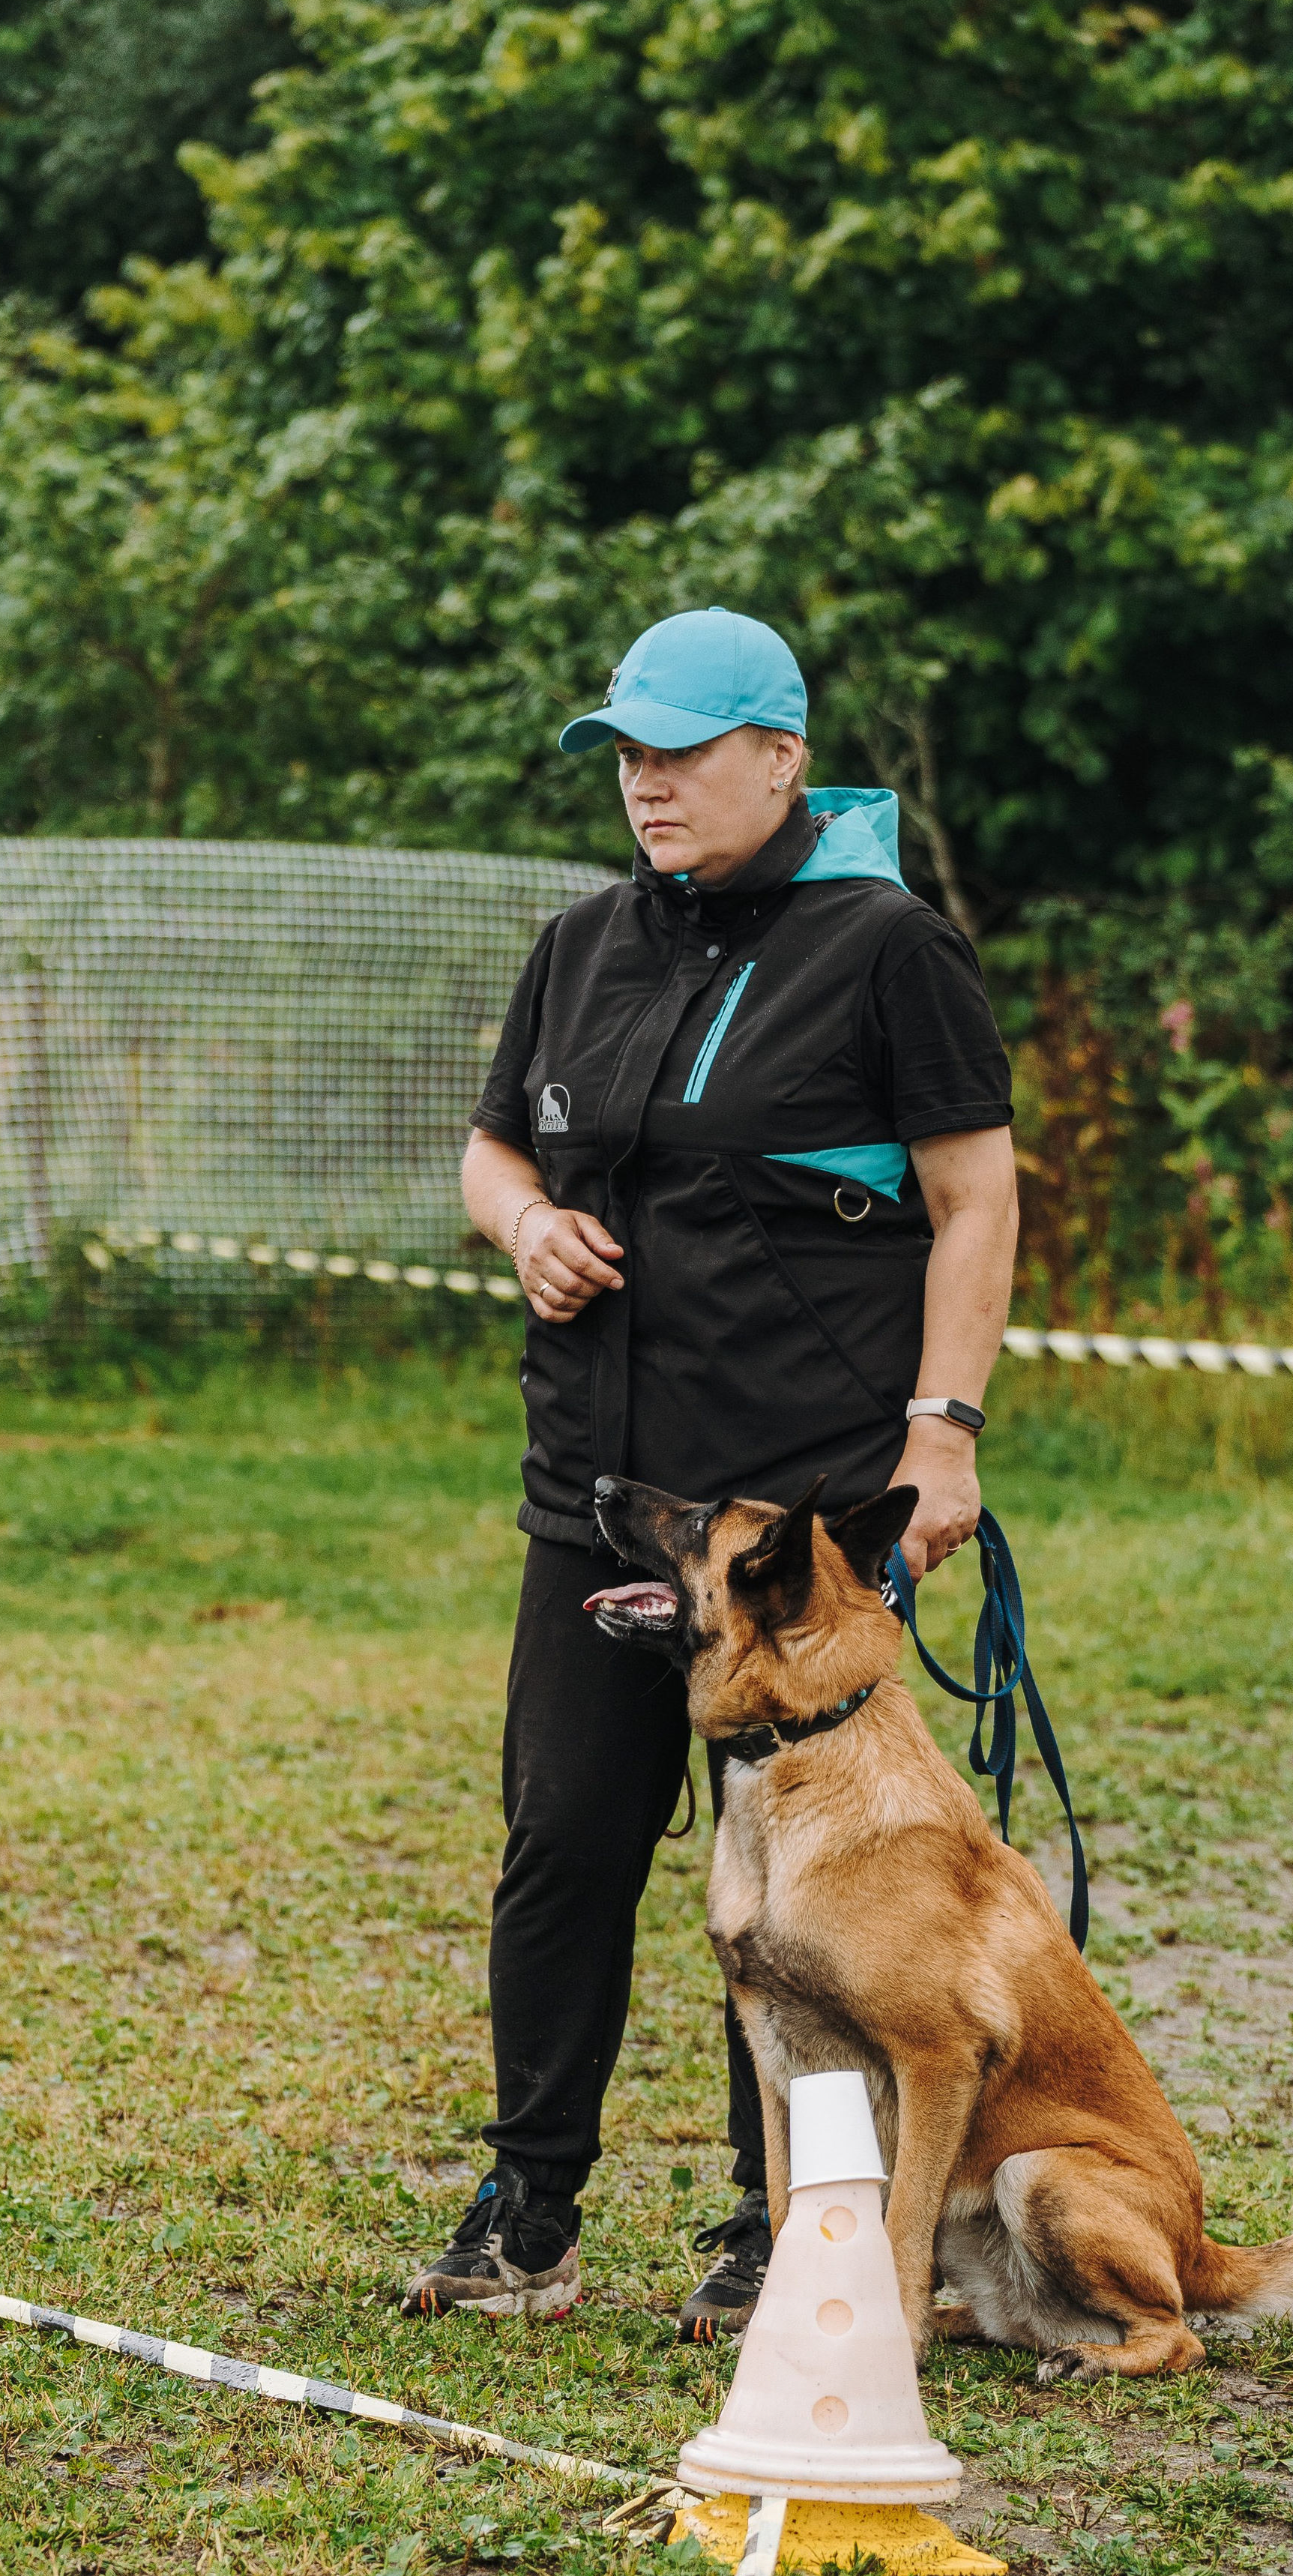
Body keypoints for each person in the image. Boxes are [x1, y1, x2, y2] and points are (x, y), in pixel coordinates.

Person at [400, 608, 1018, 2338]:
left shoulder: (890, 948)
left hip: (795, 1516)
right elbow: (491, 1144)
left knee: (815, 1898)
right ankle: (528, 2210)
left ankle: (781, 2225)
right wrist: (521, 1219)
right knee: (565, 1841)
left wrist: (939, 1432)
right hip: (601, 1489)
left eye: (679, 748)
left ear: (780, 757)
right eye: (625, 747)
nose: (644, 780)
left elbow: (974, 1198)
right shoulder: (580, 940)